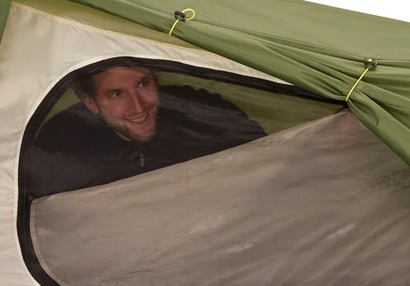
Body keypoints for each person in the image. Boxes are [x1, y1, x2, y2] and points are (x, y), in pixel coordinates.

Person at [25, 63, 267, 197]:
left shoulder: (200, 109)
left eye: (143, 84)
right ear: (91, 103)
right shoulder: (58, 145)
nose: (138, 106)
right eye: (117, 94)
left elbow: (266, 159)